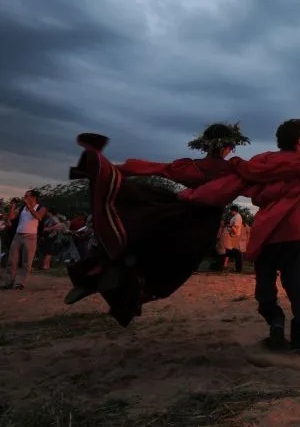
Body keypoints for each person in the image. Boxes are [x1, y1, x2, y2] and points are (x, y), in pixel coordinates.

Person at [62, 123, 275, 326]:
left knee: (140, 245)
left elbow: (156, 168)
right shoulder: (233, 170)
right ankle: (130, 300)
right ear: (229, 147)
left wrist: (118, 170)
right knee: (173, 274)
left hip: (176, 215)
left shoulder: (191, 167)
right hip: (202, 228)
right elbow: (259, 182)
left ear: (206, 144)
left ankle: (94, 274)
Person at [180, 118, 300, 354]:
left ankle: (275, 320)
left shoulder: (263, 161)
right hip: (296, 233)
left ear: (279, 141)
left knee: (265, 290)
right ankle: (299, 345)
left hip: (266, 233)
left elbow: (242, 171)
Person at [4, 190, 48, 290]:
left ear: (33, 197)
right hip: (18, 235)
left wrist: (29, 206)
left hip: (31, 237)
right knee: (12, 260)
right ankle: (8, 282)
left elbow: (38, 217)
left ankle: (20, 283)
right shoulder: (22, 208)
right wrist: (13, 205)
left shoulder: (41, 208)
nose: (24, 197)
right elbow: (11, 217)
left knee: (26, 261)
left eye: (27, 196)